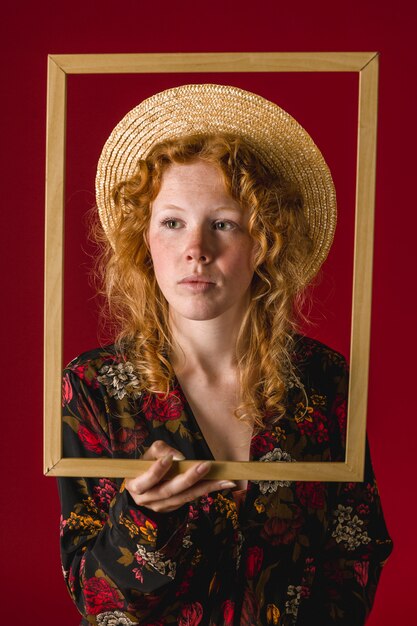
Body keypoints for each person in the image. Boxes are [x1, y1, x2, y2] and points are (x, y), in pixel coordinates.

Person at [58, 84, 392, 626]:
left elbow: (356, 550)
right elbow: (96, 601)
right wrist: (141, 518)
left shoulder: (323, 378)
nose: (196, 248)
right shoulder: (93, 386)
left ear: (263, 243)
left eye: (223, 223)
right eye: (173, 222)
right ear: (145, 240)